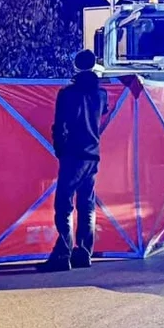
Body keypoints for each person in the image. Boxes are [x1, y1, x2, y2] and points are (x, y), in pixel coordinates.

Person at [38, 49, 110, 272]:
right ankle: (84, 253)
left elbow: (60, 125)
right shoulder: (101, 94)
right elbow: (104, 112)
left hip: (73, 155)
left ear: (76, 66)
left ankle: (63, 254)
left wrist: (60, 149)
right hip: (92, 155)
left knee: (64, 204)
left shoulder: (67, 94)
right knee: (86, 204)